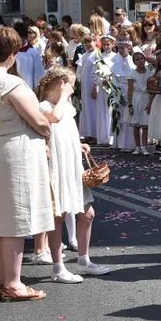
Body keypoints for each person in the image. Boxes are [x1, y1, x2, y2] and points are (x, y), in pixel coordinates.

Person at [0, 26, 54, 302]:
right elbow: (39, 120)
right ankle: (14, 283)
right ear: (12, 53)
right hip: (15, 153)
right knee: (15, 219)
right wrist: (47, 130)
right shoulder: (9, 82)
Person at [37, 67, 109, 280]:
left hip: (72, 164)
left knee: (87, 214)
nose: (72, 89)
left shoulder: (66, 107)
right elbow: (54, 120)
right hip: (56, 166)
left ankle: (83, 259)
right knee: (57, 216)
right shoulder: (44, 106)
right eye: (69, 84)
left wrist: (78, 145)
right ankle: (58, 268)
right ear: (60, 84)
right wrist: (64, 95)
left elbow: (66, 131)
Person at [125, 48, 152, 155]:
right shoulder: (132, 74)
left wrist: (150, 102)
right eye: (137, 59)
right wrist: (130, 104)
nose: (140, 61)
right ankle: (137, 146)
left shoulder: (150, 73)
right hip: (136, 99)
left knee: (145, 125)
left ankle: (144, 146)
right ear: (134, 62)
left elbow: (151, 89)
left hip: (145, 98)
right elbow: (130, 90)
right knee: (136, 125)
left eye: (142, 58)